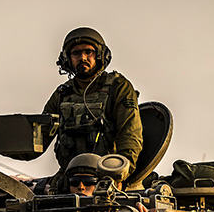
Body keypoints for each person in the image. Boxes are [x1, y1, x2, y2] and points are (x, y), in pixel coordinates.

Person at [42, 27, 143, 194]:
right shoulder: (63, 94)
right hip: (71, 179)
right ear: (67, 58)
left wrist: (119, 175)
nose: (82, 57)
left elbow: (130, 135)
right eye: (76, 53)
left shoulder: (118, 87)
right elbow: (38, 137)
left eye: (88, 52)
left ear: (100, 55)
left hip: (108, 178)